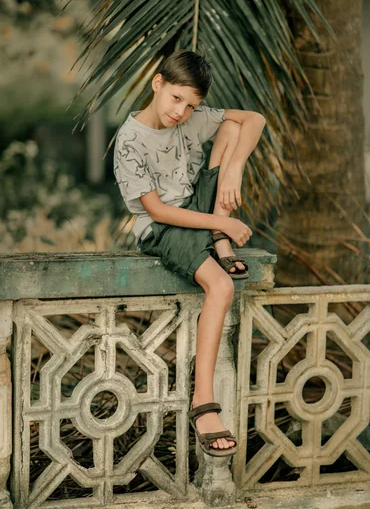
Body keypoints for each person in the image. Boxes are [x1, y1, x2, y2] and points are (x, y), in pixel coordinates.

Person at [113, 49, 266, 457]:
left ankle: (217, 235)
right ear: (157, 83)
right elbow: (158, 210)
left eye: (192, 105)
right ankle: (203, 404)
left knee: (232, 128)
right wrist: (229, 222)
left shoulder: (193, 119)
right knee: (220, 286)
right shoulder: (129, 141)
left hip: (198, 208)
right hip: (163, 226)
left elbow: (255, 119)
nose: (182, 112)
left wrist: (233, 168)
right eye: (176, 98)